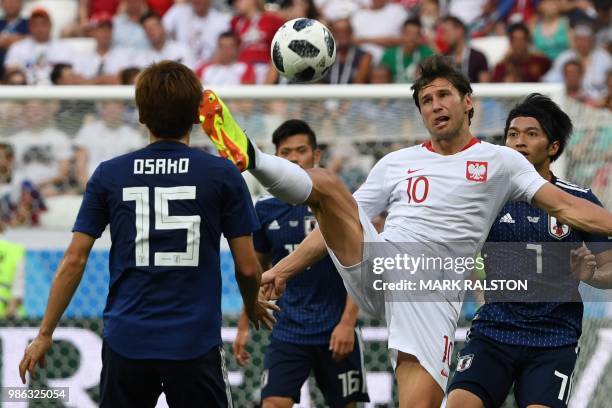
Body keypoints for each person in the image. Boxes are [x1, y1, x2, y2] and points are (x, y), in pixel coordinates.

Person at [199, 55, 612, 407]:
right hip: (381, 265)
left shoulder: (501, 161)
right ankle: (250, 156)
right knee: (325, 185)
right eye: (426, 100)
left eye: (444, 95)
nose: (435, 106)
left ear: (468, 102)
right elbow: (336, 224)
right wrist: (283, 269)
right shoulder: (396, 163)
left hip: (429, 291)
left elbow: (567, 207)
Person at [18, 61, 276, 408]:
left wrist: (45, 334)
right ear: (197, 115)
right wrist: (251, 304)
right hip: (193, 341)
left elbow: (74, 258)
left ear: (141, 115)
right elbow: (247, 267)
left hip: (127, 339)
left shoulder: (110, 174)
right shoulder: (221, 174)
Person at [447, 94, 612, 408]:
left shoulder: (581, 201)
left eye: (531, 134)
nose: (519, 141)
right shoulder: (486, 196)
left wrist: (590, 275)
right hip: (493, 332)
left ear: (553, 147)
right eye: (512, 134)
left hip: (553, 339)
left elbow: (610, 270)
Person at [232, 119, 369, 408]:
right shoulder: (265, 210)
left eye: (301, 150)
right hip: (289, 329)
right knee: (273, 404)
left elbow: (361, 264)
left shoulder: (334, 201)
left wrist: (347, 323)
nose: (294, 158)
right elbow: (257, 272)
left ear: (317, 155)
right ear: (275, 158)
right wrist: (244, 327)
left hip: (335, 327)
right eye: (285, 152)